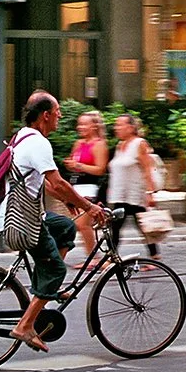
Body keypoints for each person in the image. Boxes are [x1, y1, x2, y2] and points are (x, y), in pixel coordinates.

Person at [0, 90, 111, 354]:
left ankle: (46, 289)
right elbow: (57, 181)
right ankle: (25, 325)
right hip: (22, 221)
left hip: (16, 215)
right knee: (57, 270)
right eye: (57, 113)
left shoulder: (23, 137)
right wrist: (90, 207)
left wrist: (72, 201)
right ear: (45, 115)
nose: (60, 117)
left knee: (66, 227)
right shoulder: (38, 143)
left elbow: (45, 184)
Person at [107, 113, 163, 263]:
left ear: (131, 127)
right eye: (116, 124)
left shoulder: (139, 144)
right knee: (129, 225)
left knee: (140, 225)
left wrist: (150, 193)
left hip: (136, 194)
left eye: (120, 124)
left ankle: (112, 257)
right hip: (121, 194)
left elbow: (148, 169)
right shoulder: (120, 145)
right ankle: (154, 255)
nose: (116, 128)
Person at [63, 110, 109, 268]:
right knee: (74, 225)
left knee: (83, 224)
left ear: (94, 126)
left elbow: (100, 169)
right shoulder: (78, 143)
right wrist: (71, 165)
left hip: (91, 188)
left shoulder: (99, 144)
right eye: (79, 124)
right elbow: (74, 163)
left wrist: (79, 165)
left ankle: (95, 259)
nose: (80, 127)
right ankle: (94, 258)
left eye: (84, 124)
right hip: (76, 187)